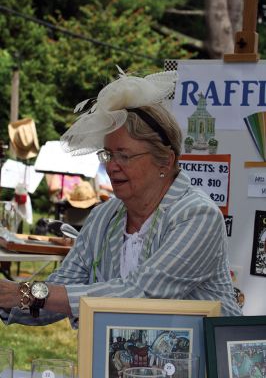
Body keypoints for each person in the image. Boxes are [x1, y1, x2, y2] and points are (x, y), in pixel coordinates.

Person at [0, 67, 242, 328]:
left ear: (165, 161)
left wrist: (25, 293)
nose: (112, 166)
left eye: (125, 156)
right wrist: (9, 297)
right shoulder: (105, 216)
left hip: (199, 365)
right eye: (108, 155)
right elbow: (59, 292)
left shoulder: (197, 216)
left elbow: (140, 294)